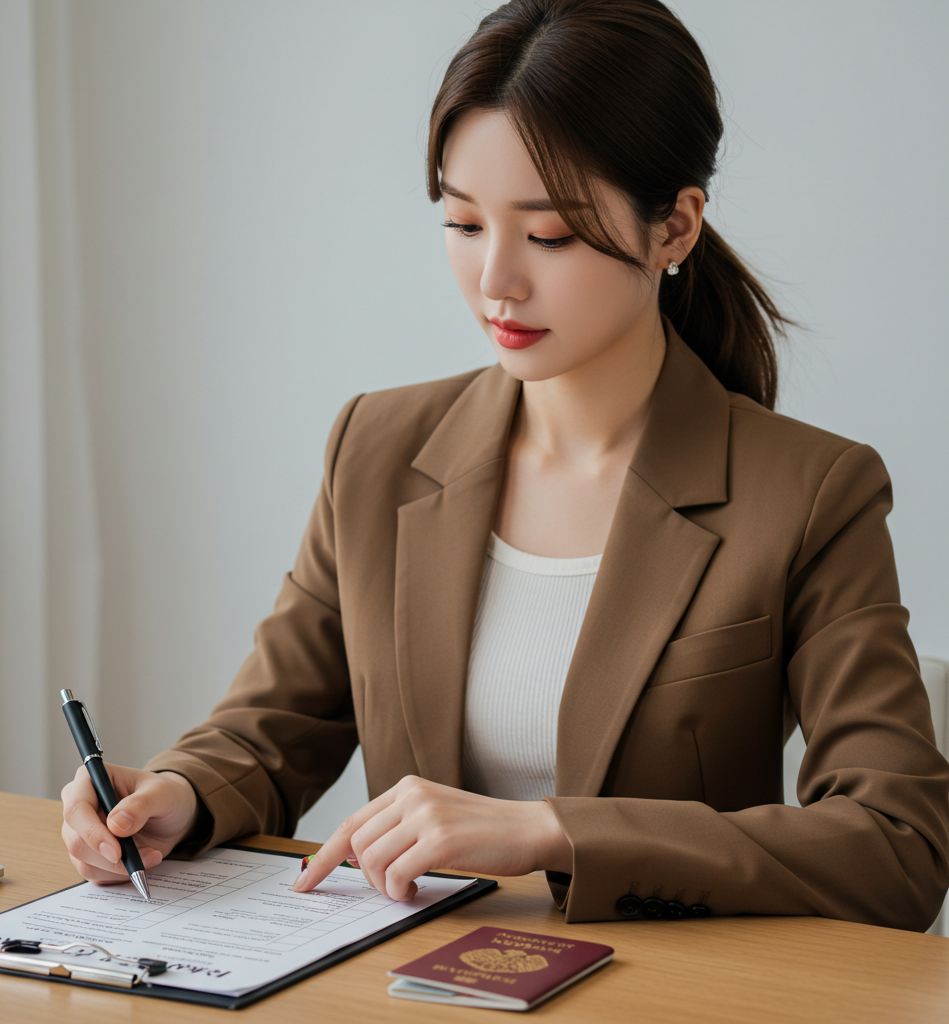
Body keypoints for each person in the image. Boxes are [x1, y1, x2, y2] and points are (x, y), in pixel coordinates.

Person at [60, 0, 949, 930]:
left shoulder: (812, 494)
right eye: (463, 222)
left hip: (663, 987)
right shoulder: (377, 447)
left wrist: (554, 831)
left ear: (675, 229)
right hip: (411, 977)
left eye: (550, 234)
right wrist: (177, 793)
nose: (496, 282)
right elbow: (272, 728)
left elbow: (897, 845)